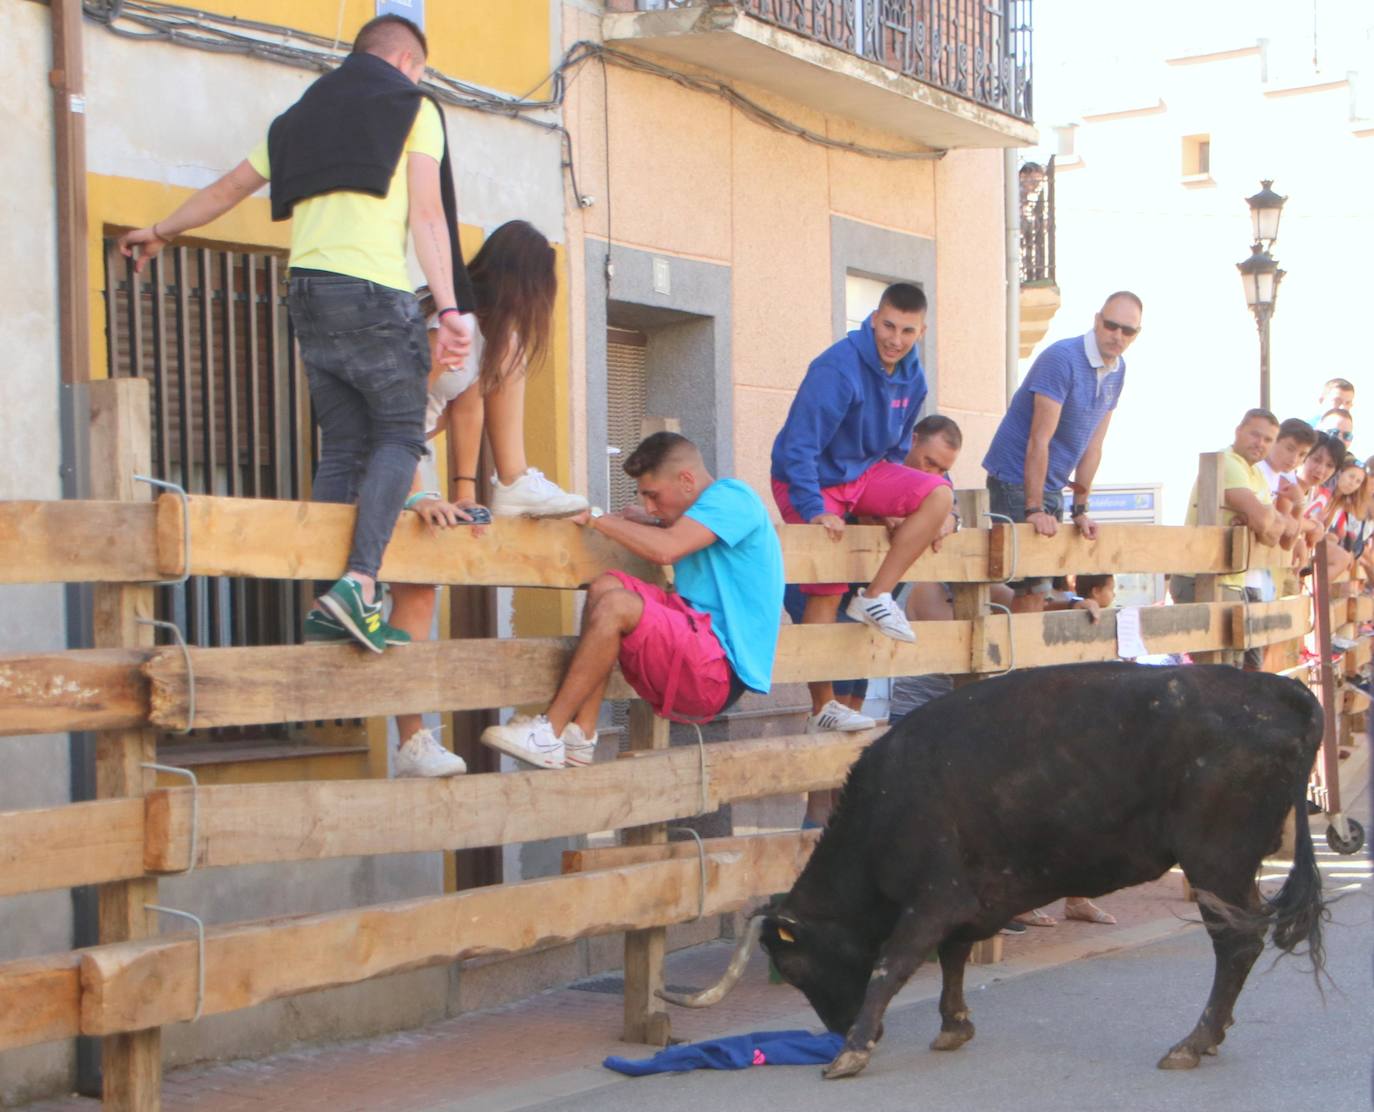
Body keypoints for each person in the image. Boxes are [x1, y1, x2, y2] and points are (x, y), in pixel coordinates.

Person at [117, 14, 474, 655]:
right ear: (408, 64)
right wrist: (449, 309)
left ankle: (322, 601)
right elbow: (427, 214)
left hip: (307, 294)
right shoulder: (413, 105)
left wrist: (163, 231)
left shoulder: (296, 119)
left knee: (341, 446)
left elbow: (231, 187)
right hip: (372, 291)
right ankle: (360, 583)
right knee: (399, 433)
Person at [479, 433, 784, 769]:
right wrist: (651, 520)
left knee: (616, 606)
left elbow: (666, 549)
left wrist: (596, 517)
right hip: (696, 648)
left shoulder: (734, 497)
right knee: (605, 587)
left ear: (686, 480)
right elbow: (682, 530)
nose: (650, 506)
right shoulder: (705, 510)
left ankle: (547, 731)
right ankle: (581, 735)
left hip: (718, 673)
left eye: (653, 496)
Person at [771, 281, 954, 664]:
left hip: (864, 475)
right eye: (888, 326)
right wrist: (812, 510)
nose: (895, 339)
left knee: (940, 493)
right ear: (874, 320)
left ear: (922, 331)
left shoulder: (914, 377)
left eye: (907, 330)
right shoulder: (836, 369)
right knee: (828, 584)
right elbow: (799, 447)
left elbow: (897, 448)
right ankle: (825, 706)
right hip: (809, 478)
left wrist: (887, 505)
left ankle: (875, 597)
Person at [981, 292, 1141, 613]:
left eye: (1128, 330)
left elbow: (1094, 446)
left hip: (1053, 484)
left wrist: (1081, 509)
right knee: (1029, 587)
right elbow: (1039, 439)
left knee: (1045, 588)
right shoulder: (1062, 358)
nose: (1118, 336)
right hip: (1015, 477)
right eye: (1111, 325)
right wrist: (1033, 508)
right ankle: (1016, 662)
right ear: (1097, 320)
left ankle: (1027, 659)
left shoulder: (1118, 370)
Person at [1171, 409, 1284, 669]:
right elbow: (1266, 522)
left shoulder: (1254, 473)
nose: (1261, 443)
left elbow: (1274, 533)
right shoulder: (1229, 462)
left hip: (1230, 580)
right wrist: (1258, 519)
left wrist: (1259, 519)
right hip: (1201, 578)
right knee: (1215, 670)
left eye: (1268, 440)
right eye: (1255, 434)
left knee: (1230, 668)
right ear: (1238, 431)